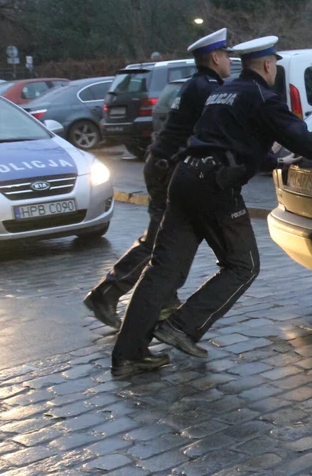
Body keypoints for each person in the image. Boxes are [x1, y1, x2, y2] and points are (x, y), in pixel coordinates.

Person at [109, 35, 312, 377]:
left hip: (185, 179)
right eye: (275, 66)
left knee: (163, 270)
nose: (276, 71)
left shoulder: (225, 92)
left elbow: (226, 138)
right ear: (268, 65)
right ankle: (181, 327)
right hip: (215, 187)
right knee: (243, 265)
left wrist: (274, 162)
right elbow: (301, 136)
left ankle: (128, 355)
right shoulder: (262, 98)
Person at [84, 28, 233, 332]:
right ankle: (105, 294)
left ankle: (165, 298)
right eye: (227, 55)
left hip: (165, 165)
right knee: (159, 240)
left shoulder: (197, 84)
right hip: (169, 169)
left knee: (176, 236)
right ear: (216, 57)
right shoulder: (206, 88)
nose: (230, 60)